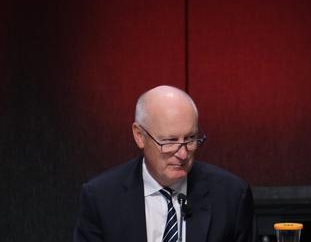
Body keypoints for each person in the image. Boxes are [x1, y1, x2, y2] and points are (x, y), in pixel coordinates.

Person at [74, 85, 255, 242]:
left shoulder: (232, 196)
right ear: (139, 136)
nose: (183, 154)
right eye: (169, 141)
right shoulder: (100, 198)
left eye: (191, 138)